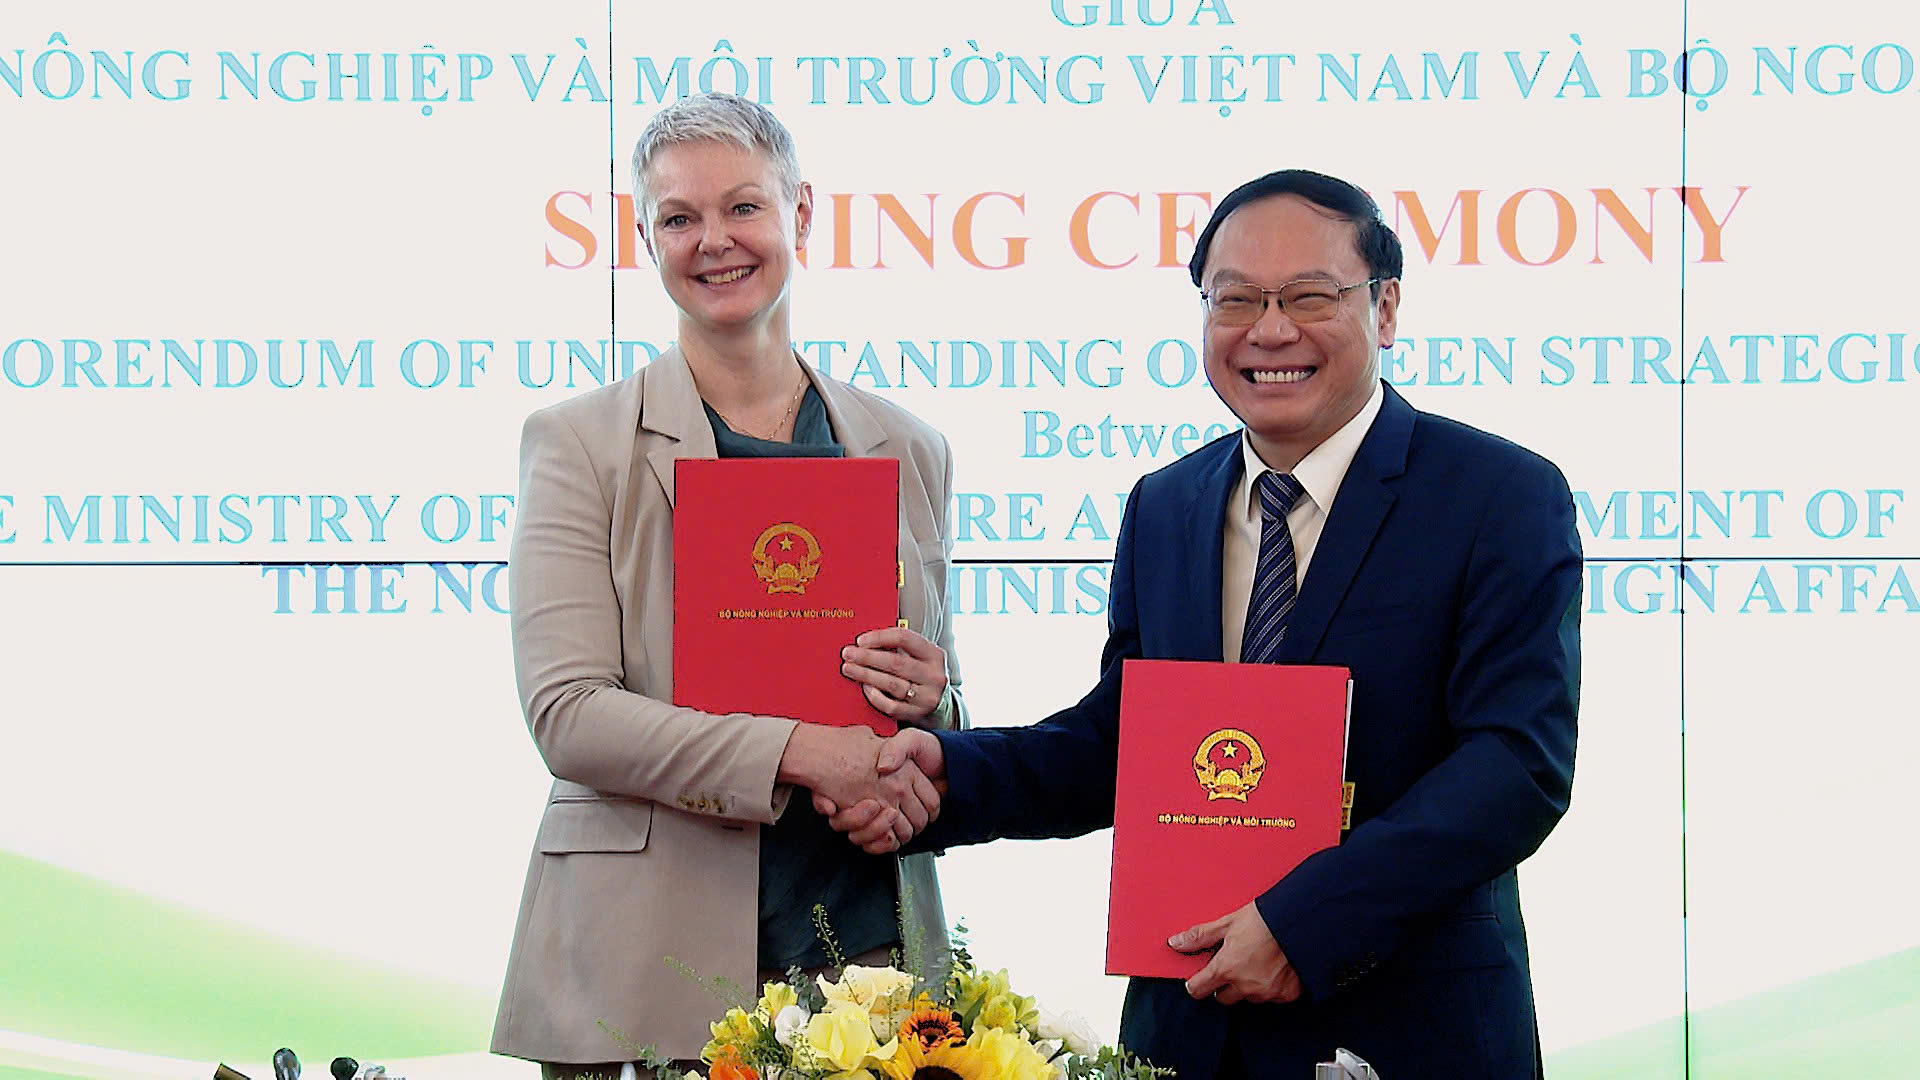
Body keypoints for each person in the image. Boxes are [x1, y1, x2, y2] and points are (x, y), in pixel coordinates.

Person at [825, 169, 1582, 1079]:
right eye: (1237, 300)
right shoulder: (1166, 505)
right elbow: (1127, 741)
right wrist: (953, 774)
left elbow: (1515, 766)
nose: (1271, 331)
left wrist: (1301, 924)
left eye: (1309, 297)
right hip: (1189, 1027)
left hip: (1409, 1028)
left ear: (1384, 309)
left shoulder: (1498, 495)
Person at [490, 93, 964, 1079]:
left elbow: (943, 713)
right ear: (645, 239)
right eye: (679, 218)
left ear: (801, 213)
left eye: (743, 206)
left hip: (867, 956)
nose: (714, 240)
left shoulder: (909, 447)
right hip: (645, 963)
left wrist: (931, 709)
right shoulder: (579, 444)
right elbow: (569, 714)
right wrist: (810, 754)